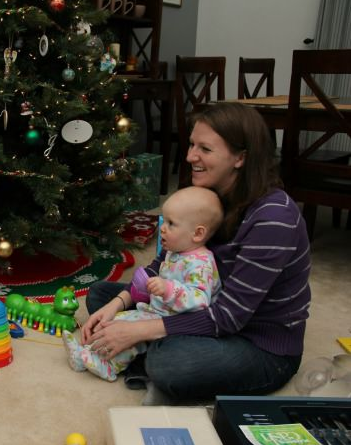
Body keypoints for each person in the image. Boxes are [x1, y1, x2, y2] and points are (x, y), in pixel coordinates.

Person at [82, 102, 310, 402]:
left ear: (240, 157)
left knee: (172, 364)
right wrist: (119, 302)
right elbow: (164, 263)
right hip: (198, 305)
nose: (190, 157)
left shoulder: (273, 219)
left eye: (205, 148)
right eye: (191, 144)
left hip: (257, 342)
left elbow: (229, 317)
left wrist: (139, 331)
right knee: (100, 294)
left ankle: (147, 351)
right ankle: (147, 343)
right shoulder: (206, 194)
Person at [63, 186, 223, 382]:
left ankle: (108, 366)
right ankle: (84, 354)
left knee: (131, 333)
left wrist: (168, 289)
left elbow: (200, 300)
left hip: (178, 325)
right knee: (117, 317)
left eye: (171, 224)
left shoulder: (201, 263)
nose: (162, 227)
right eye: (164, 220)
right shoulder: (176, 249)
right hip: (157, 310)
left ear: (197, 234)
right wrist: (121, 302)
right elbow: (152, 271)